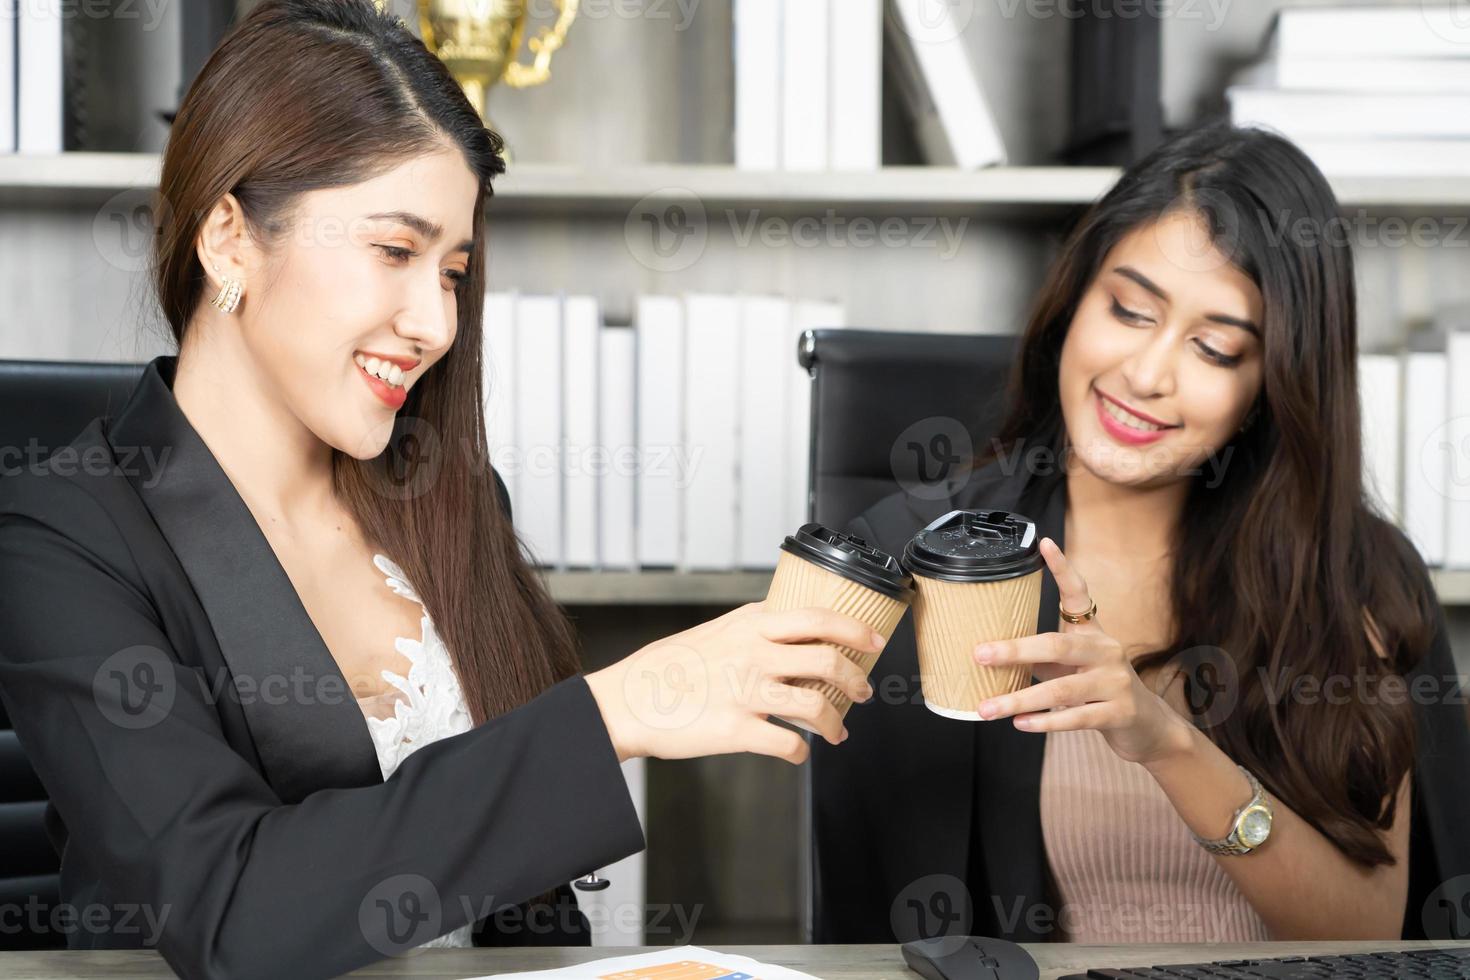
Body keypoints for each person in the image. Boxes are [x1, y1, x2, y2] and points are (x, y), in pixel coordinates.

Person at [0, 3, 878, 978]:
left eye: (453, 271)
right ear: (228, 239)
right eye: (393, 251)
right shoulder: (62, 534)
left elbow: (526, 914)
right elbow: (230, 910)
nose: (434, 322)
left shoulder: (452, 494)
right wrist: (612, 712)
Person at [811, 122, 1470, 946]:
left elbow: (1369, 928)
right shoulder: (921, 556)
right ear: (1072, 303)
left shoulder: (1355, 577)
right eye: (1128, 309)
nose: (1148, 375)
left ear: (1275, 383)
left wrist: (1168, 744)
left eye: (1215, 348)